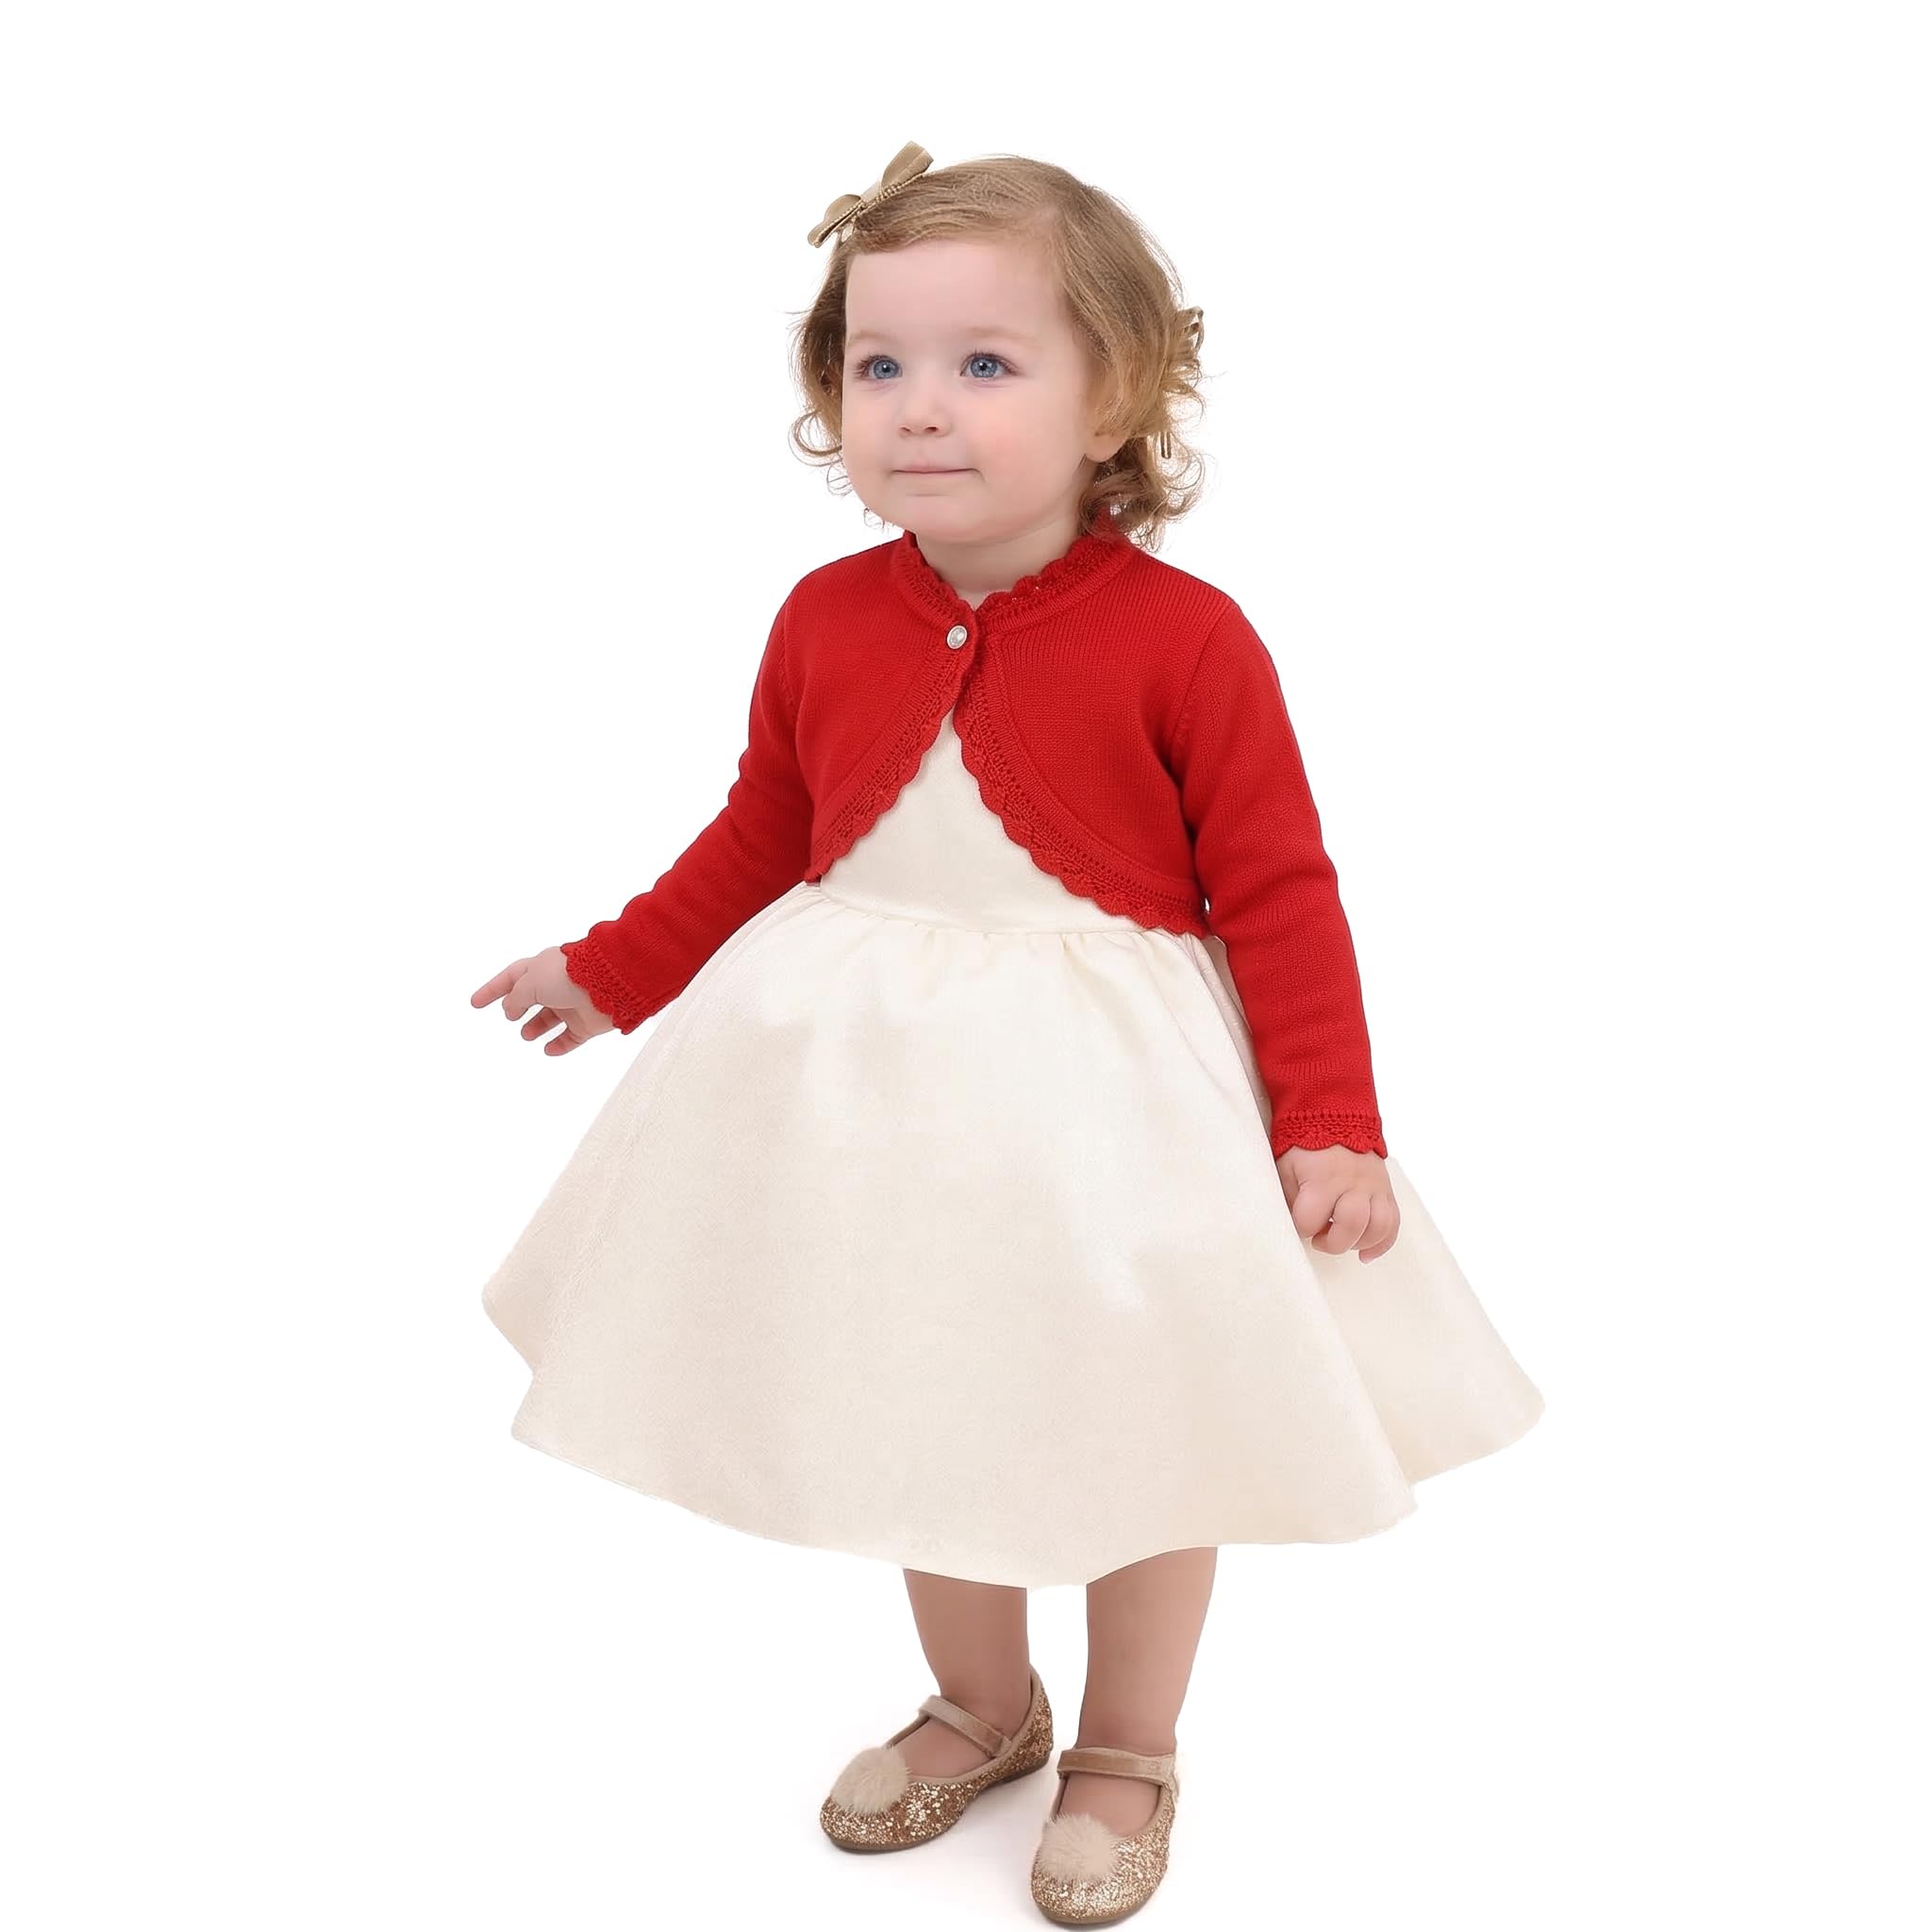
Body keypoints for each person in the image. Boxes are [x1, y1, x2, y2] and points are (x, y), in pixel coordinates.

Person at [471, 141, 1544, 1925]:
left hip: (1115, 1115)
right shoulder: (823, 618)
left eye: (986, 362)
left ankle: (1128, 1742)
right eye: (877, 363)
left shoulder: (1188, 641)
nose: (920, 406)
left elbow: (1281, 891)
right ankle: (983, 1703)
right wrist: (614, 967)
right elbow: (765, 827)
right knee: (921, 1385)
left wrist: (1331, 1123)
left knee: (1149, 1411)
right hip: (876, 1102)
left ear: (1113, 397)